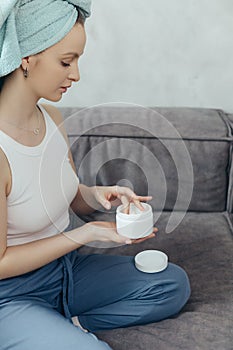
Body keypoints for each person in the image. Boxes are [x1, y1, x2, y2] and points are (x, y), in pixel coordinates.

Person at [0, 1, 191, 349]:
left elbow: (68, 198)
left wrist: (98, 194)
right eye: (66, 61)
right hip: (9, 296)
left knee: (171, 284)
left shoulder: (53, 120)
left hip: (63, 272)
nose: (76, 75)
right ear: (26, 58)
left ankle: (66, 323)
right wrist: (84, 235)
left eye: (77, 61)